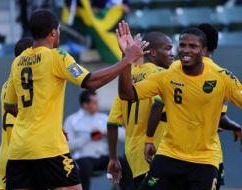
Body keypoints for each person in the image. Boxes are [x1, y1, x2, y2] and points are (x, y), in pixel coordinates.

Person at [4, 10, 148, 190]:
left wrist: (38, 120)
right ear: (54, 32)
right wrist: (127, 59)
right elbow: (90, 81)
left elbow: (10, 105)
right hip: (48, 147)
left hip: (19, 149)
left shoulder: (18, 62)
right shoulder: (56, 56)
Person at [118, 23, 242, 190]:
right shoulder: (168, 74)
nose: (186, 50)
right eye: (182, 45)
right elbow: (127, 94)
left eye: (193, 46)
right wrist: (126, 59)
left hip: (204, 160)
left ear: (204, 51)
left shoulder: (222, 77)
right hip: (169, 155)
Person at [107, 31, 173, 188]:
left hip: (134, 155)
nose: (172, 54)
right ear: (154, 52)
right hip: (156, 151)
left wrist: (113, 158)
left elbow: (112, 123)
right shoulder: (164, 75)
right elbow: (159, 110)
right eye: (168, 48)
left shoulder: (126, 80)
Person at [63, 90, 126, 190]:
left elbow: (125, 135)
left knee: (123, 163)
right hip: (83, 158)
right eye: (94, 103)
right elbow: (67, 146)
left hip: (103, 157)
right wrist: (88, 136)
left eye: (97, 102)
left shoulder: (104, 118)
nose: (98, 105)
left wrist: (108, 132)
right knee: (84, 167)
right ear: (85, 105)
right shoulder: (72, 120)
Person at [0, 38, 33, 190]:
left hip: (9, 154)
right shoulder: (22, 88)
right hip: (17, 157)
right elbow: (14, 124)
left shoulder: (8, 84)